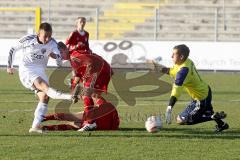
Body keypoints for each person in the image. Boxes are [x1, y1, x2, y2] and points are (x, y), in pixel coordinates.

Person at [7, 22, 73, 133]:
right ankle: (69, 97)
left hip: (40, 71)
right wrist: (9, 66)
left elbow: (59, 61)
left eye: (49, 36)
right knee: (45, 87)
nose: (47, 39)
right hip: (27, 69)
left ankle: (35, 126)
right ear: (38, 33)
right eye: (45, 36)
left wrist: (56, 56)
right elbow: (13, 49)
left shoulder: (52, 43)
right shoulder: (28, 39)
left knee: (45, 97)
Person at [161, 44, 229, 132]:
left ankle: (212, 117)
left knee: (181, 120)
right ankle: (222, 125)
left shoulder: (183, 72)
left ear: (181, 56)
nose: (171, 56)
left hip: (200, 98)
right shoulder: (186, 61)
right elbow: (174, 71)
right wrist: (160, 69)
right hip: (206, 90)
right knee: (207, 112)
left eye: (174, 54)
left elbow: (176, 91)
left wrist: (169, 107)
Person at [57, 41, 113, 131]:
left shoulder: (74, 56)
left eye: (60, 53)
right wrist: (74, 92)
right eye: (58, 54)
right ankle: (106, 115)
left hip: (99, 69)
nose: (60, 55)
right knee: (93, 95)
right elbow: (78, 76)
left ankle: (90, 123)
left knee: (86, 94)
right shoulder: (73, 57)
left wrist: (86, 78)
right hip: (104, 69)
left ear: (65, 49)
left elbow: (90, 62)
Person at [42, 102, 120, 132]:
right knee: (73, 121)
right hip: (111, 124)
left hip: (109, 122)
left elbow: (67, 122)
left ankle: (44, 120)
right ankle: (44, 121)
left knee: (72, 120)